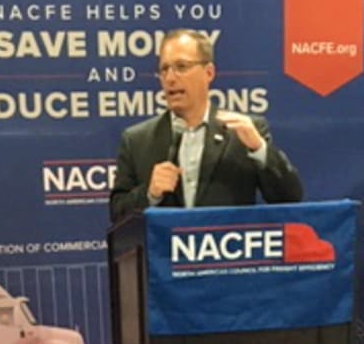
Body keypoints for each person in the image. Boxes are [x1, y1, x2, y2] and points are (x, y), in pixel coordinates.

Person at [109, 29, 302, 221]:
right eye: (164, 69)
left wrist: (259, 149)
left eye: (181, 66)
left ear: (208, 72)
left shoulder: (242, 133)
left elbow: (290, 198)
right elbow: (117, 213)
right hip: (163, 242)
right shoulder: (137, 140)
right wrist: (150, 194)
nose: (170, 78)